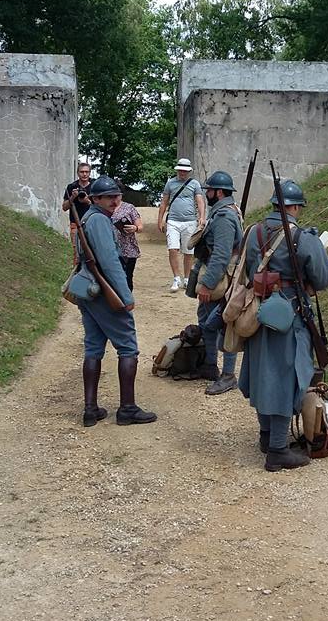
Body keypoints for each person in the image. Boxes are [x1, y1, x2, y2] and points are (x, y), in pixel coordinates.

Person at [238, 179, 328, 472]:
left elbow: (247, 269)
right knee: (284, 379)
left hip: (257, 312)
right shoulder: (302, 238)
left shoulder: (253, 232)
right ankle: (278, 450)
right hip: (289, 316)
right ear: (294, 208)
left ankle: (267, 436)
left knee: (262, 374)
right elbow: (324, 278)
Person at [76, 175, 157, 428]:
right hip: (105, 291)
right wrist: (125, 296)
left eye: (117, 196)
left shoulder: (89, 217)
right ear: (95, 199)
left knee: (93, 347)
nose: (115, 200)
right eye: (109, 197)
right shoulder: (99, 220)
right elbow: (110, 262)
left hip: (89, 290)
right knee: (128, 347)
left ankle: (91, 410)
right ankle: (127, 409)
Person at [196, 171, 243, 395]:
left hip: (222, 277)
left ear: (219, 192)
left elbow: (221, 255)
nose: (207, 194)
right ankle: (210, 365)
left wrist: (208, 284)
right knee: (206, 319)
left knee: (223, 324)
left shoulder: (224, 217)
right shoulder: (224, 211)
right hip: (221, 274)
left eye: (210, 190)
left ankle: (228, 375)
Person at [157, 158, 206, 292]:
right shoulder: (170, 183)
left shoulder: (194, 184)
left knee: (188, 251)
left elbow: (200, 201)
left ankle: (187, 278)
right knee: (173, 249)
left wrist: (202, 217)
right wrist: (160, 220)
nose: (182, 173)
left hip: (190, 221)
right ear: (177, 170)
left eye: (185, 171)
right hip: (173, 221)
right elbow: (164, 202)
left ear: (189, 171)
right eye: (181, 170)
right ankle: (176, 278)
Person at [62, 161, 94, 264]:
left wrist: (88, 201)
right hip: (75, 223)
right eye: (82, 172)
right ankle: (77, 270)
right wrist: (72, 197)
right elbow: (64, 207)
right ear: (77, 173)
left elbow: (101, 207)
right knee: (76, 252)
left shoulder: (94, 186)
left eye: (87, 172)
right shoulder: (71, 186)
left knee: (92, 250)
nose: (84, 174)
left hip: (91, 224)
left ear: (89, 173)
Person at [111, 192, 143, 292]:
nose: (114, 198)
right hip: (111, 247)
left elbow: (140, 227)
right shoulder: (104, 207)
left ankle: (127, 298)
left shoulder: (129, 208)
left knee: (127, 276)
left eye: (117, 195)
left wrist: (135, 228)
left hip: (128, 248)